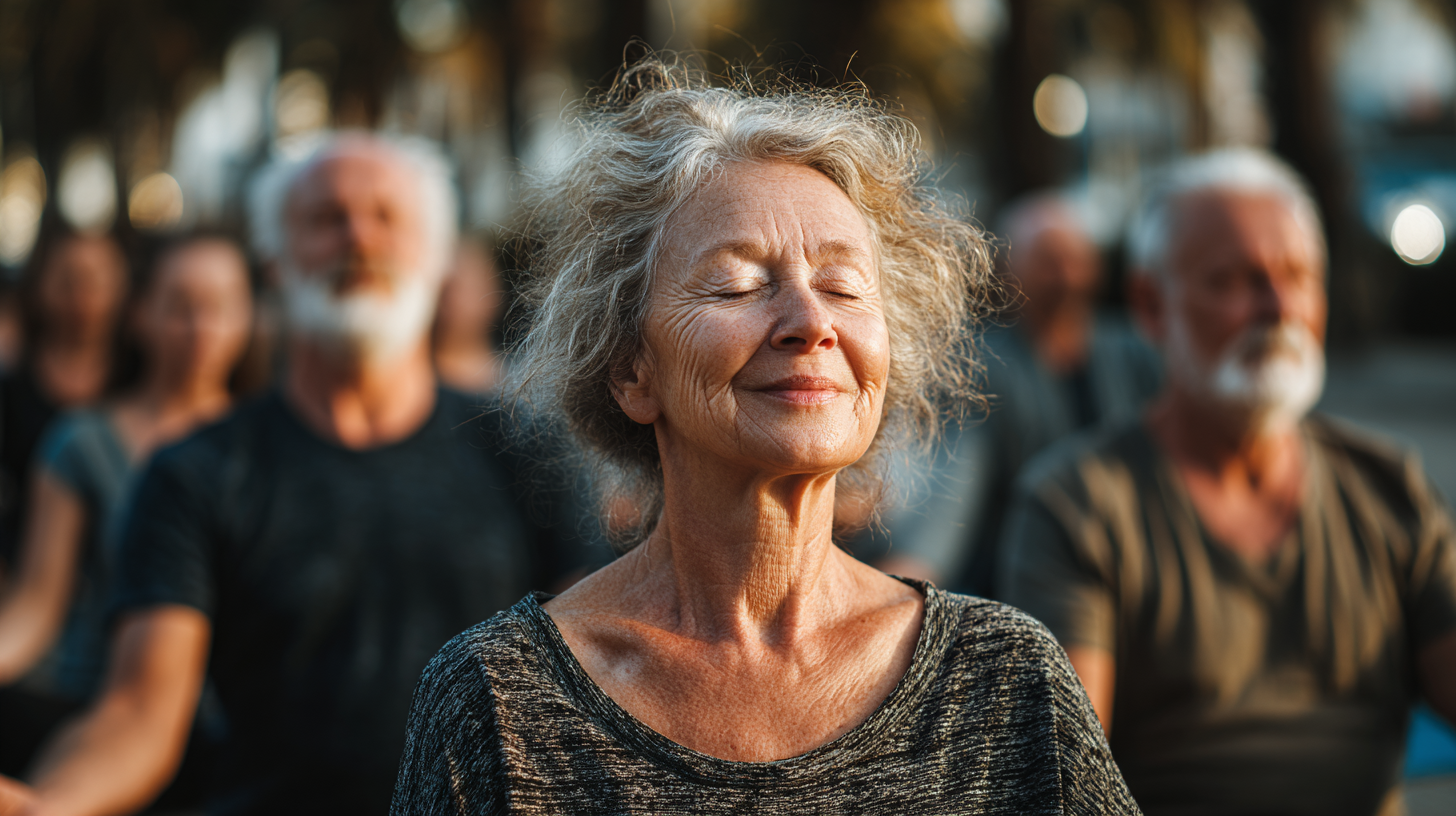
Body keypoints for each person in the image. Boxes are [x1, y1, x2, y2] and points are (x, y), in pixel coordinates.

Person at [392, 60, 1140, 814]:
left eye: (844, 287)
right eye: (738, 286)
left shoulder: (1007, 679)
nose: (813, 323)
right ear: (630, 370)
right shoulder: (500, 697)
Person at [0, 133, 591, 816]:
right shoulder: (195, 472)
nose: (358, 238)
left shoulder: (526, 450)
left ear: (435, 258)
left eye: (385, 217)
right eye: (326, 218)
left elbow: (599, 672)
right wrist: (49, 804)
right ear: (275, 262)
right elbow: (138, 711)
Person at [999, 149, 1456, 815]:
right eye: (1233, 280)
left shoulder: (1390, 488)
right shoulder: (1079, 505)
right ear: (1151, 307)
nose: (1277, 306)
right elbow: (1063, 781)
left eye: (1296, 275)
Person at [0, 234, 253, 782]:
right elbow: (34, 607)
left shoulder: (270, 449)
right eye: (180, 304)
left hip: (228, 731)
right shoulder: (83, 441)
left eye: (220, 305)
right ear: (140, 313)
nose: (200, 325)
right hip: (90, 708)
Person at [872, 192, 1160, 595]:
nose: (1063, 271)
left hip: (1135, 574)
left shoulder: (1137, 355)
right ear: (1008, 270)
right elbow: (956, 482)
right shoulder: (979, 364)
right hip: (1017, 582)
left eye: (1074, 255)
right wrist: (902, 582)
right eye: (1046, 258)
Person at [0, 229, 130, 572]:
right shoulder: (11, 387)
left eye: (97, 281)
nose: (82, 297)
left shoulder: (139, 379)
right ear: (40, 285)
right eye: (68, 281)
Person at [431, 237, 504, 394]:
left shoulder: (521, 385)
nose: (452, 299)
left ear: (493, 294)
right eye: (444, 288)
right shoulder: (411, 387)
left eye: (464, 288)